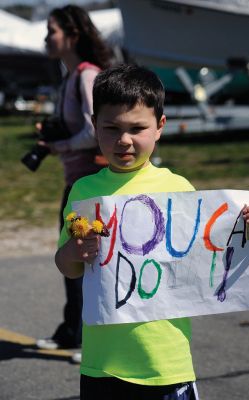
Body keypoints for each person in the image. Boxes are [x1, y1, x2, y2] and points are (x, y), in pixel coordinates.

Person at [55, 64, 249, 399]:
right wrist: (73, 253)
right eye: (111, 128)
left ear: (159, 127)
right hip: (101, 364)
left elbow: (204, 256)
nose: (124, 140)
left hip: (167, 364)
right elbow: (67, 266)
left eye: (137, 128)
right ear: (94, 125)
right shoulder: (83, 192)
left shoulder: (178, 188)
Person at [36, 5, 112, 356]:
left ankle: (90, 336)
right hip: (75, 179)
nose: (46, 38)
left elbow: (93, 132)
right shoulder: (69, 76)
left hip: (91, 181)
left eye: (52, 30)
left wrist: (59, 144)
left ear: (73, 34)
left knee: (89, 259)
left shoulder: (86, 75)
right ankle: (72, 331)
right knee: (71, 255)